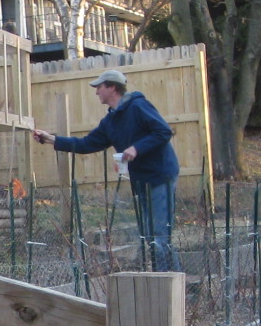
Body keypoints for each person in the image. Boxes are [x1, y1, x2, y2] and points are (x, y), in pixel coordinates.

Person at [32, 69, 181, 271]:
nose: (96, 92)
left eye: (99, 87)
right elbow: (86, 144)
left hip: (160, 176)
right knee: (149, 234)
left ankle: (169, 284)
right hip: (141, 181)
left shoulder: (138, 106)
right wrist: (51, 139)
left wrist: (136, 148)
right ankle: (166, 280)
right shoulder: (111, 121)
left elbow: (163, 131)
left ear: (112, 87)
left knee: (159, 235)